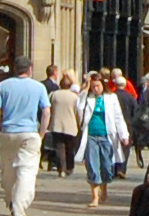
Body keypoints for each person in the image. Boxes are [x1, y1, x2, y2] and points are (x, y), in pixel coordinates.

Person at [0, 55, 50, 216]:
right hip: (29, 132)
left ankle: (10, 198)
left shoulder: (3, 85)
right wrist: (42, 133)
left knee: (8, 171)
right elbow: (46, 112)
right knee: (27, 171)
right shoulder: (38, 87)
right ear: (30, 69)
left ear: (15, 69)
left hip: (8, 132)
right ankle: (19, 205)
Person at [80, 73, 130, 209]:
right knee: (92, 165)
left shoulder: (111, 98)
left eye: (97, 86)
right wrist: (84, 91)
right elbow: (78, 111)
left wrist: (124, 135)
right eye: (93, 86)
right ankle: (94, 197)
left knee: (106, 166)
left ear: (103, 85)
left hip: (107, 136)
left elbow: (118, 117)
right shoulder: (87, 98)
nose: (95, 89)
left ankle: (104, 187)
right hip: (91, 136)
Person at [46, 71, 84, 177]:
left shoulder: (54, 95)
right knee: (70, 148)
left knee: (59, 148)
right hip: (71, 125)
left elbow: (49, 109)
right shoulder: (75, 97)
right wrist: (80, 123)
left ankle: (61, 168)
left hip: (56, 124)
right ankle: (70, 167)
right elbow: (79, 112)